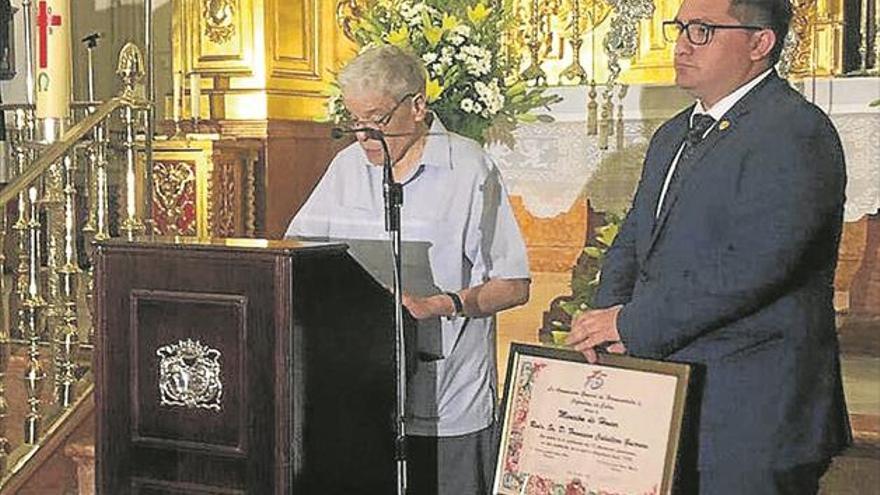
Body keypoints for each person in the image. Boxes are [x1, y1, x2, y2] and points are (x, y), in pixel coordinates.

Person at [565, 0, 851, 492]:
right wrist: (605, 315)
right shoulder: (674, 133)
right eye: (680, 28)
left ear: (761, 43)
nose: (680, 44)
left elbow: (755, 267)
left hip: (755, 411)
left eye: (702, 31)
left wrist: (631, 323)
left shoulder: (795, 130)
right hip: (669, 393)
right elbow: (634, 236)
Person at [285, 45, 530, 495]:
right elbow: (295, 254)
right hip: (359, 394)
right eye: (354, 120)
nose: (362, 136)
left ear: (417, 106)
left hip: (446, 399)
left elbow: (514, 285)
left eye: (376, 120)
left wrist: (443, 304)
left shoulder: (470, 168)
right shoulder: (346, 167)